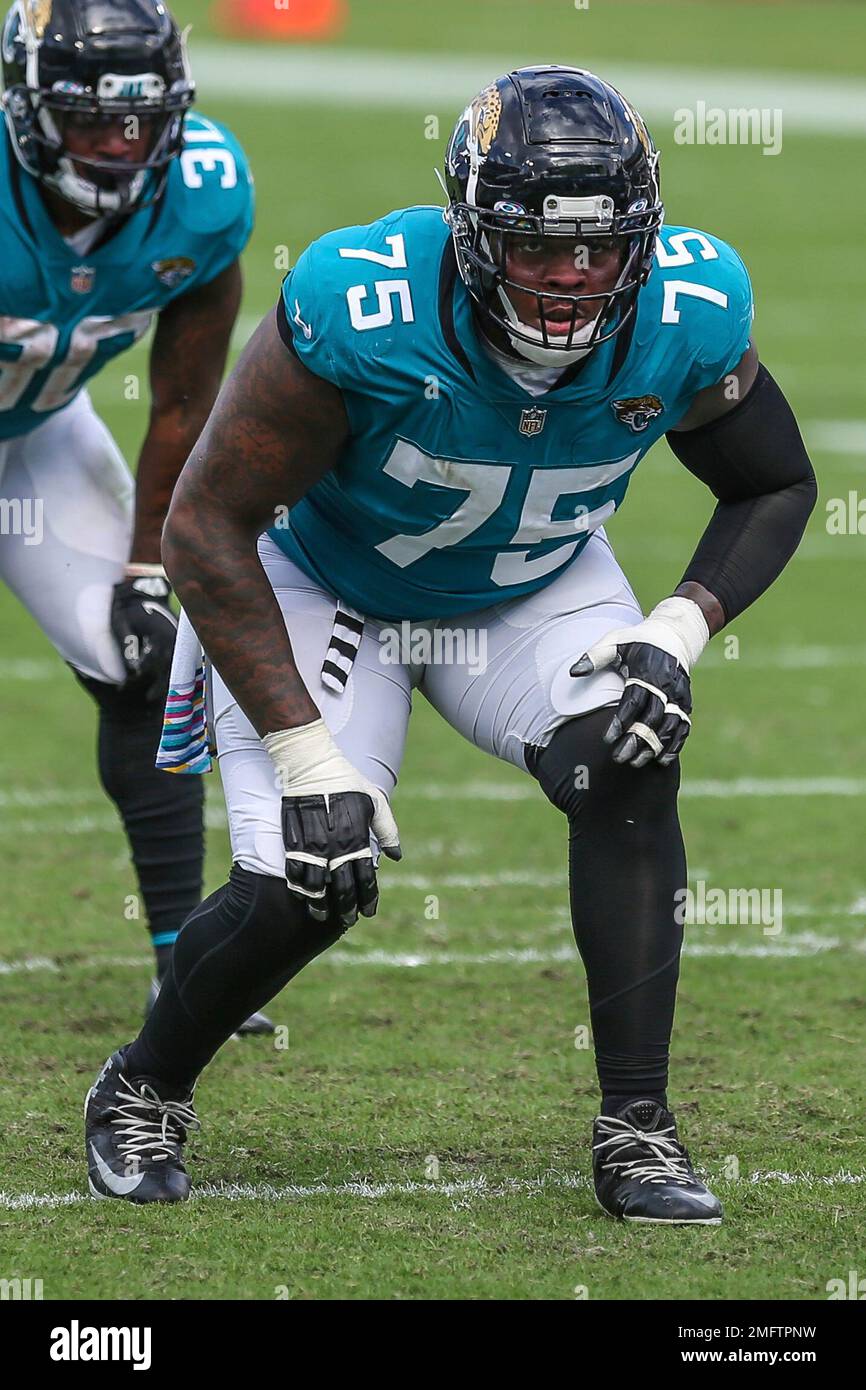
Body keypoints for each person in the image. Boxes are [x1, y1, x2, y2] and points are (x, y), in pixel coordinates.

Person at [86, 67, 816, 1218]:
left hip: (532, 583)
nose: (574, 276)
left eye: (599, 246)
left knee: (631, 753)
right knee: (309, 875)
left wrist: (676, 627)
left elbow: (772, 483)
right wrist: (307, 758)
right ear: (472, 235)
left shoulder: (687, 306)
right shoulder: (361, 302)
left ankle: (636, 1125)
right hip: (324, 580)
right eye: (536, 247)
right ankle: (141, 1084)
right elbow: (205, 526)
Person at [0, 0, 271, 1033]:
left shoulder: (199, 195)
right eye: (89, 119)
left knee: (146, 655)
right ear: (27, 107)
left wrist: (148, 564)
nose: (121, 145)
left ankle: (184, 962)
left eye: (142, 118)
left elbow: (185, 399)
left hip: (35, 437)